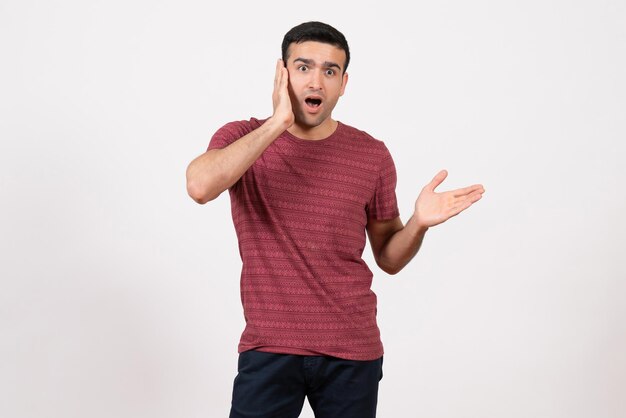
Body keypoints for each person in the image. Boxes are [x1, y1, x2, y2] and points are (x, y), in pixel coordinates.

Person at [186, 21, 484, 418]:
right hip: (270, 347)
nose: (316, 82)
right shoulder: (243, 136)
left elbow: (390, 259)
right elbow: (200, 186)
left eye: (330, 71)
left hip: (352, 350)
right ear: (282, 73)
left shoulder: (371, 154)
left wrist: (418, 223)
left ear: (343, 83)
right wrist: (278, 123)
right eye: (304, 67)